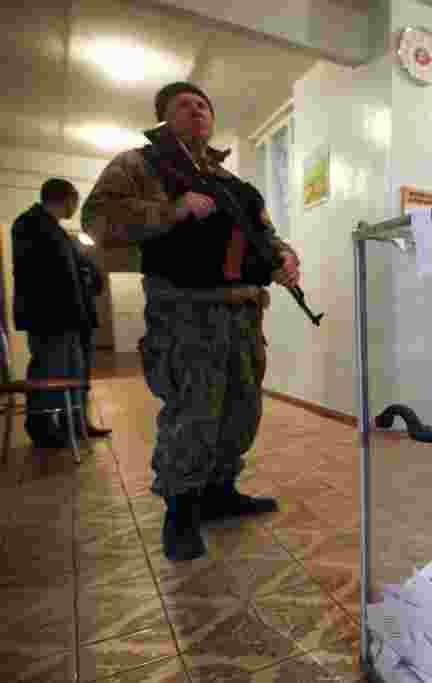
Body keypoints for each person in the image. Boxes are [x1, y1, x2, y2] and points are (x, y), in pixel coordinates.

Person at [81, 82, 301, 562]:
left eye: (203, 104)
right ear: (163, 118)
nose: (196, 110)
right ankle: (181, 510)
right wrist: (171, 210)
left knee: (241, 411)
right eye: (184, 104)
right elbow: (97, 219)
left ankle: (220, 493)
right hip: (185, 312)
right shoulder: (139, 165)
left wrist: (285, 258)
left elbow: (268, 236)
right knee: (192, 413)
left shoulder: (231, 183)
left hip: (243, 313)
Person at [11, 178, 101, 447]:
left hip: (71, 319)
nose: (76, 207)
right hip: (49, 319)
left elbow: (81, 272)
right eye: (75, 201)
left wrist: (87, 274)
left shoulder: (58, 232)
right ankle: (43, 429)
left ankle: (73, 424)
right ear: (68, 198)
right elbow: (36, 274)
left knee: (72, 375)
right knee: (49, 374)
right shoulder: (29, 224)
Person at [74, 245, 113, 437]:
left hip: (85, 321)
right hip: (68, 323)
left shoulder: (85, 262)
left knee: (83, 375)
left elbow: (98, 286)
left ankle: (82, 423)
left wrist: (90, 266)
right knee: (73, 374)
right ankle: (74, 424)